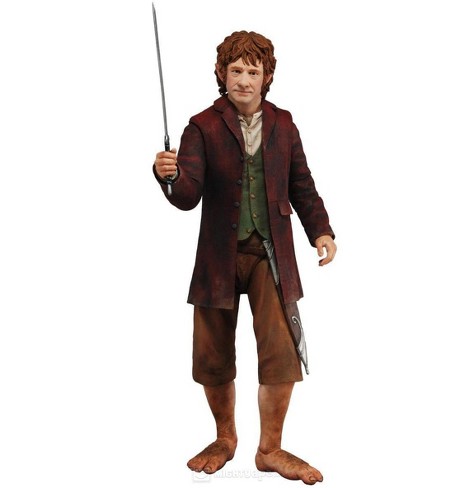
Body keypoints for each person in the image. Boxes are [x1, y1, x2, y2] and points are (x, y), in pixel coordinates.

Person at [153, 31, 336, 485]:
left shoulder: (283, 124)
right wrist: (170, 176)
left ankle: (270, 448)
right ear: (222, 73)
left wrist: (321, 230)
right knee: (212, 351)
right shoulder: (201, 126)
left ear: (267, 76)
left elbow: (302, 184)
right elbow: (187, 196)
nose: (243, 80)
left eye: (253, 71)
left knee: (281, 350)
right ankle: (225, 437)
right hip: (217, 255)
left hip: (269, 253)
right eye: (235, 70)